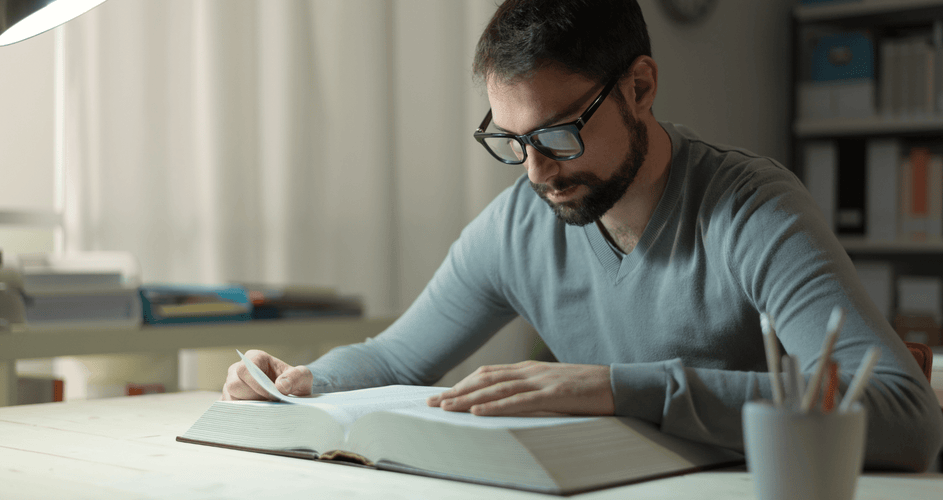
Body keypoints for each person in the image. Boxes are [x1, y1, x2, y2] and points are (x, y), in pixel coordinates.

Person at [224, 0, 943, 470]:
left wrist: (617, 388)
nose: (537, 172)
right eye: (512, 140)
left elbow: (908, 418)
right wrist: (298, 381)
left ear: (640, 87)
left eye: (559, 133)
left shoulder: (752, 210)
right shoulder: (519, 224)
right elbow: (398, 356)